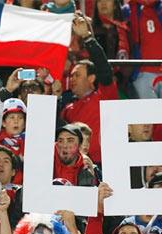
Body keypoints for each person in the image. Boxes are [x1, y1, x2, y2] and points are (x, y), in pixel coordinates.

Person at [60, 13, 119, 166]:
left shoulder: (105, 96)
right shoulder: (67, 108)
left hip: (105, 165)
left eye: (77, 75)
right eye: (71, 75)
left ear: (92, 78)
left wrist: (87, 37)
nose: (72, 79)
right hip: (75, 166)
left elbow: (104, 68)